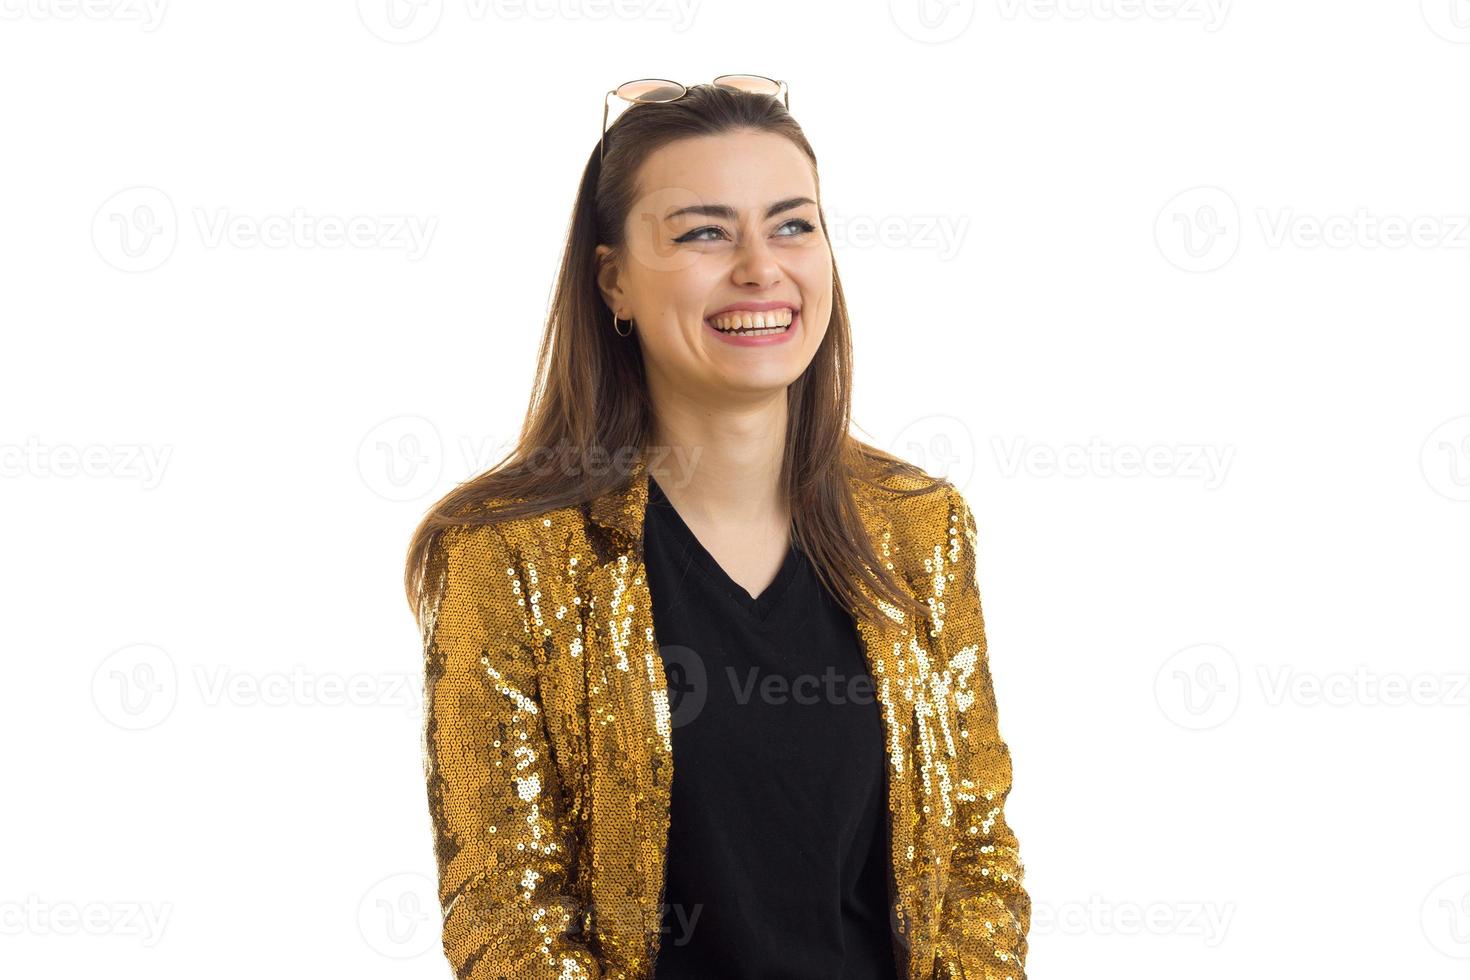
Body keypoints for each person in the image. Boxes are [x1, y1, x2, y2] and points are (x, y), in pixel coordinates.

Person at [404, 79, 1030, 980]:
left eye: (792, 225)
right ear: (612, 277)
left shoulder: (919, 530)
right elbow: (508, 915)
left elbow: (977, 863)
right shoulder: (505, 554)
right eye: (703, 231)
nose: (760, 267)